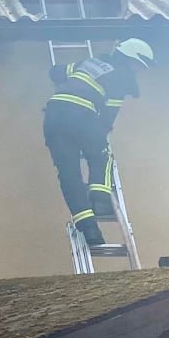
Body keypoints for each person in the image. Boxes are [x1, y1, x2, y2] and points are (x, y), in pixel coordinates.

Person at [42, 39, 153, 245]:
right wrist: (95, 137)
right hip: (81, 114)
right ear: (129, 59)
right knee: (103, 155)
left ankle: (90, 230)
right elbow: (107, 118)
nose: (139, 71)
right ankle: (100, 202)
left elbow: (56, 72)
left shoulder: (89, 63)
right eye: (140, 66)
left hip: (53, 117)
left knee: (69, 174)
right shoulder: (122, 77)